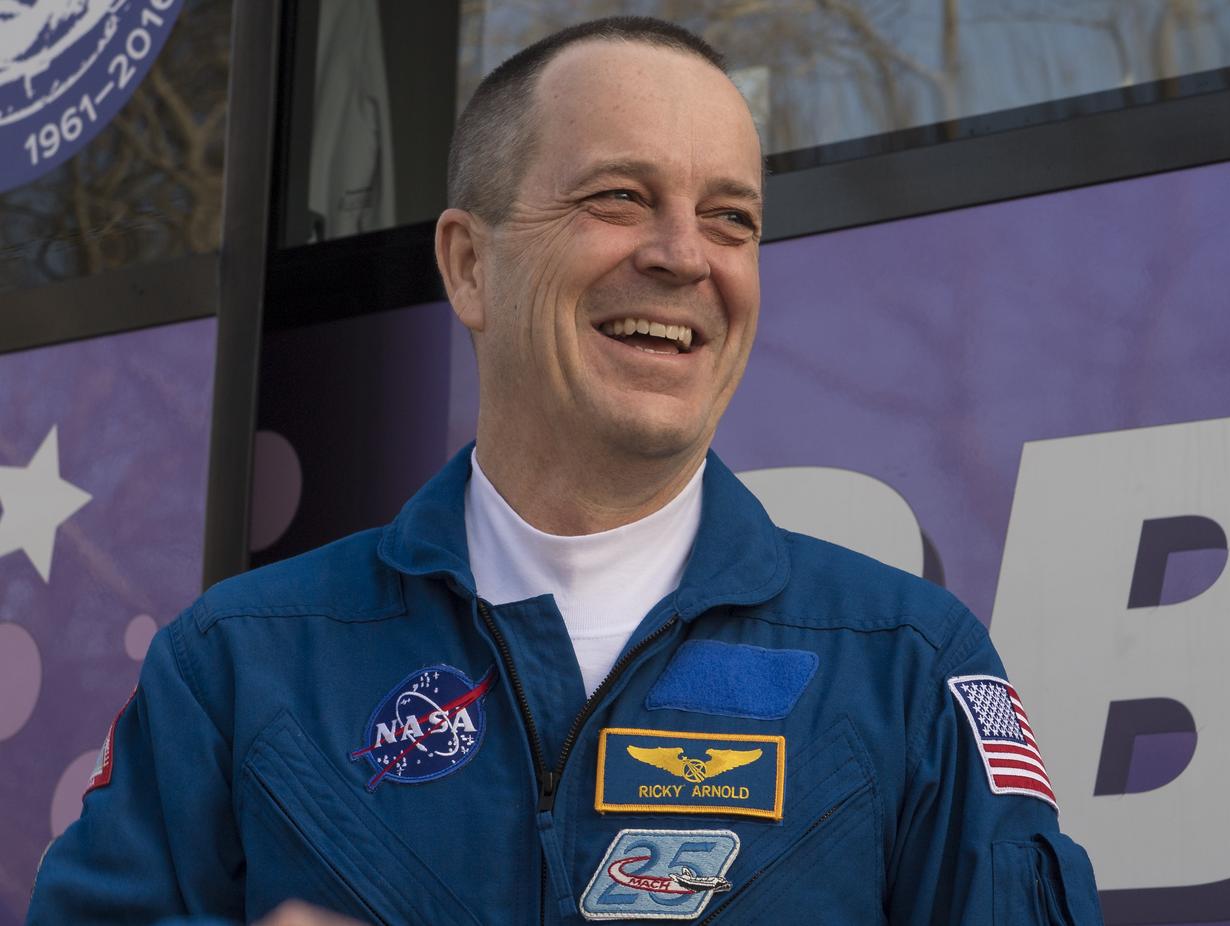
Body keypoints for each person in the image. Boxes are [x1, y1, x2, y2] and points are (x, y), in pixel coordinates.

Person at [27, 16, 1103, 926]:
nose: (684, 255)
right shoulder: (236, 667)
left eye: (729, 218)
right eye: (618, 198)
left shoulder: (903, 666)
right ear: (467, 263)